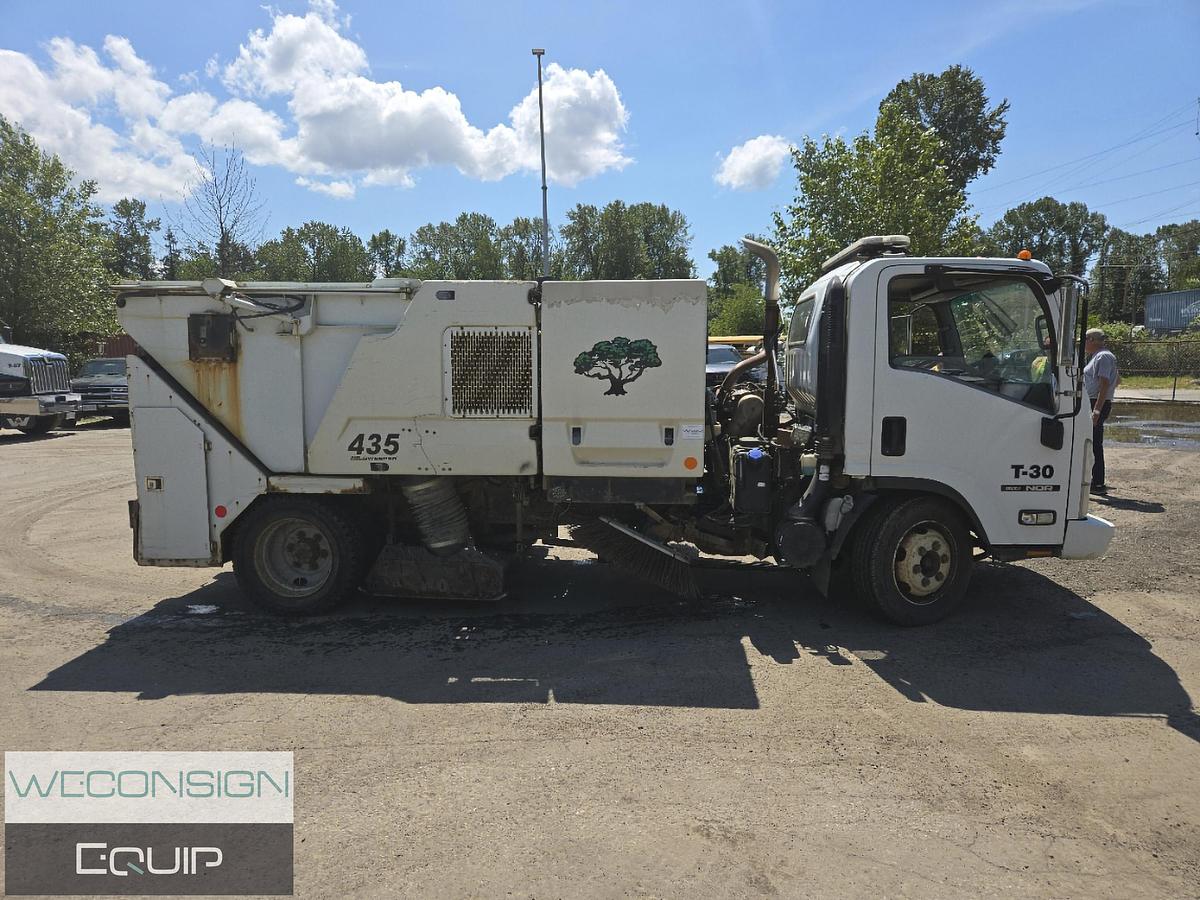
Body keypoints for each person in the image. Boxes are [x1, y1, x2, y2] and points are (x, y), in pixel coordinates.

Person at [1083, 328, 1120, 494]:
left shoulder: (1103, 356)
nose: (1083, 344)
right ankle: (1095, 480)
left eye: (1084, 340)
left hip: (1096, 403)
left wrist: (1096, 411)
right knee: (1093, 442)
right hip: (1095, 401)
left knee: (1094, 443)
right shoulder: (1099, 356)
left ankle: (1097, 483)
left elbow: (1105, 383)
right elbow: (1117, 379)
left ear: (1091, 339)